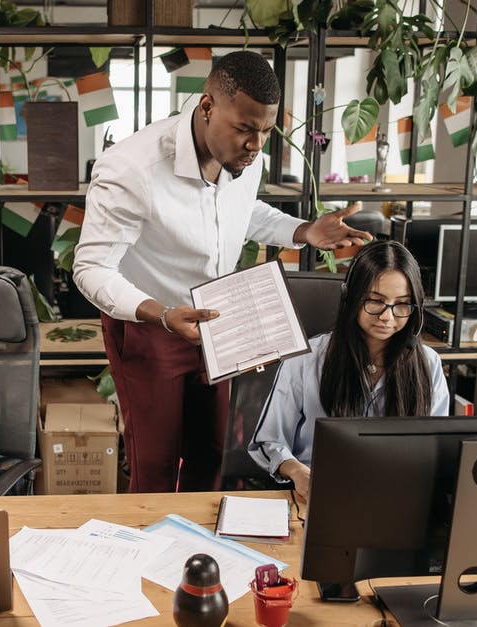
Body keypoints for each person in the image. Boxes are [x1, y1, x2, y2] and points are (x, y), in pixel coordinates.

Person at [73, 50, 373, 493]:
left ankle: (199, 556)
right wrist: (162, 314)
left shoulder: (243, 156)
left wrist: (304, 230)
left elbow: (242, 210)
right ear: (208, 106)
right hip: (150, 325)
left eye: (267, 132)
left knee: (210, 456)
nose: (256, 145)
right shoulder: (132, 168)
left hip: (217, 321)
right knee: (154, 466)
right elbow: (90, 267)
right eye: (246, 129)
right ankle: (147, 559)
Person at [248, 240, 450, 501]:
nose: (387, 317)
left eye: (402, 304)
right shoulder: (306, 359)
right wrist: (297, 472)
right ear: (351, 297)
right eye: (375, 301)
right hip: (319, 496)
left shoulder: (428, 364)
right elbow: (269, 441)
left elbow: (436, 448)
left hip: (394, 499)